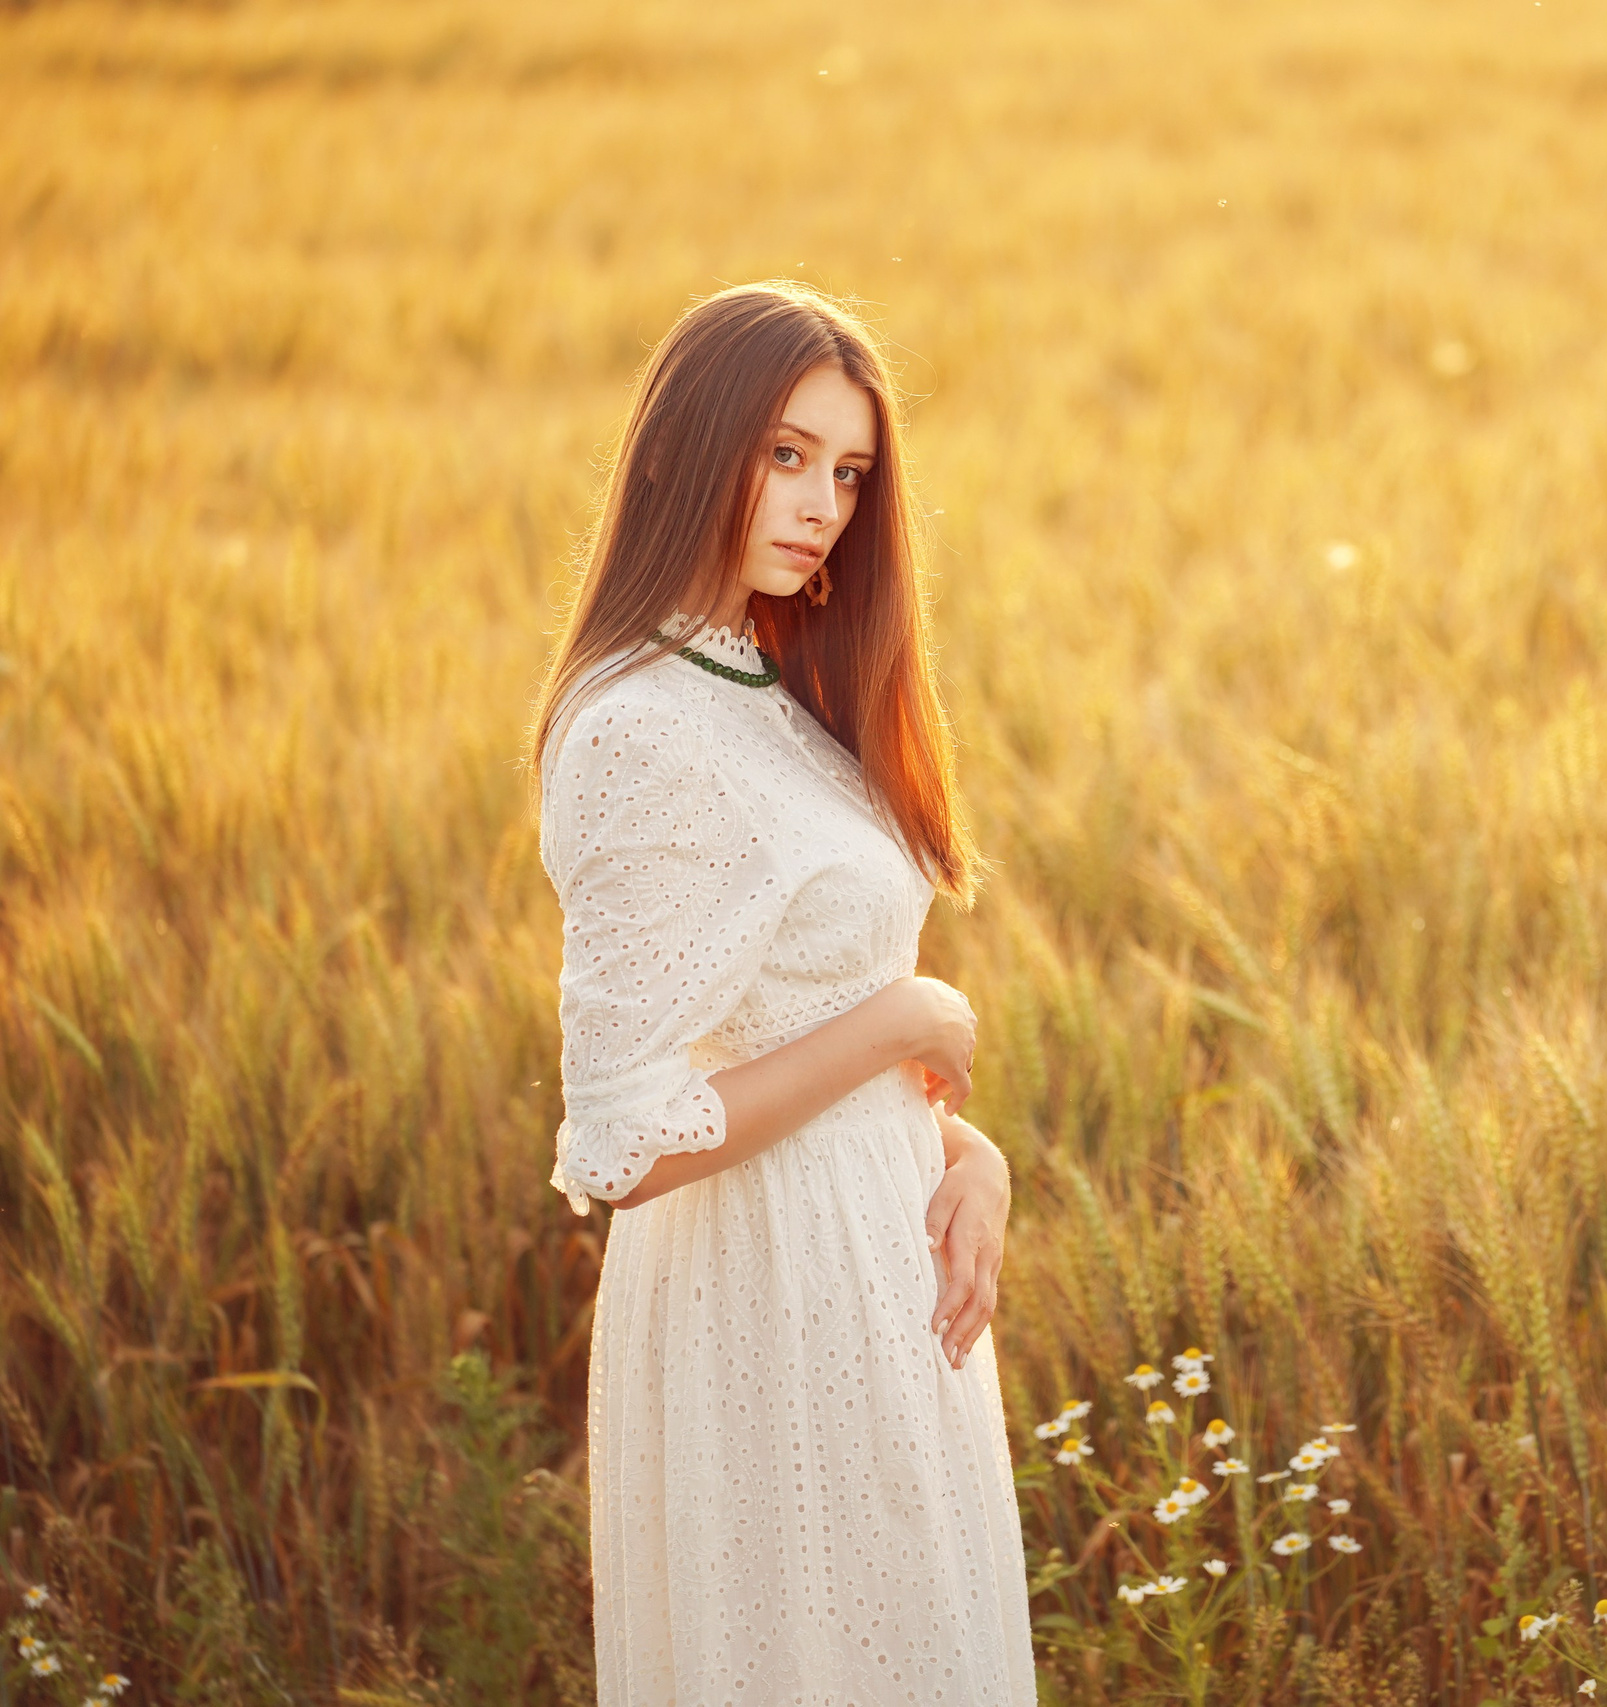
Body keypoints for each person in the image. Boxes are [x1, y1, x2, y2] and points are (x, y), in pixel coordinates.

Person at [527, 281, 1036, 1704]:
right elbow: (626, 1144)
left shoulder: (765, 688)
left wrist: (963, 1150)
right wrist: (907, 1023)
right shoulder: (640, 726)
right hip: (764, 1301)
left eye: (852, 471)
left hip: (876, 1280)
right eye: (787, 454)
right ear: (689, 450)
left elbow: (771, 1019)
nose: (824, 503)